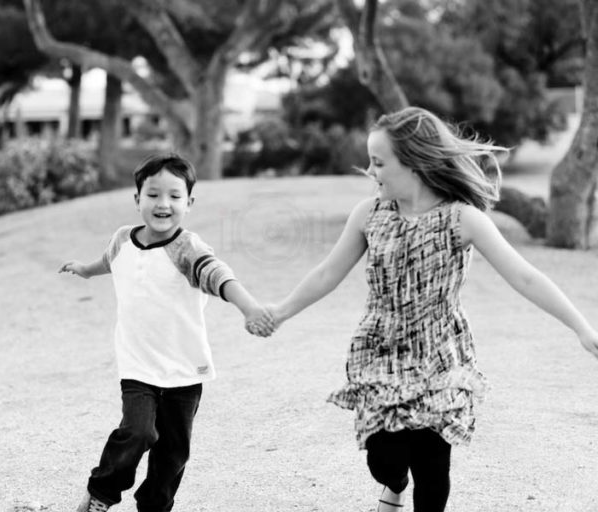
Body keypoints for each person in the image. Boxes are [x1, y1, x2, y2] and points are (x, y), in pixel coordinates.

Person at [250, 106, 598, 512]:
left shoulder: (463, 219)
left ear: (413, 162)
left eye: (379, 162)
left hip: (441, 354)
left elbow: (525, 277)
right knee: (385, 458)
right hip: (380, 351)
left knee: (432, 466)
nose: (370, 171)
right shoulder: (369, 215)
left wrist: (581, 327)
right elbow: (328, 273)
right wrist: (282, 310)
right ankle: (393, 485)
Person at [59, 153, 272, 512]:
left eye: (174, 196)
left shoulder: (187, 249)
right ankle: (101, 493)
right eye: (153, 194)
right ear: (137, 199)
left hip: (184, 370)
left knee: (172, 453)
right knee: (138, 432)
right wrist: (84, 269)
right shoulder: (122, 239)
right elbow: (108, 262)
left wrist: (249, 307)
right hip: (138, 366)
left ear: (189, 203)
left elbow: (218, 275)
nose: (163, 204)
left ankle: (154, 507)